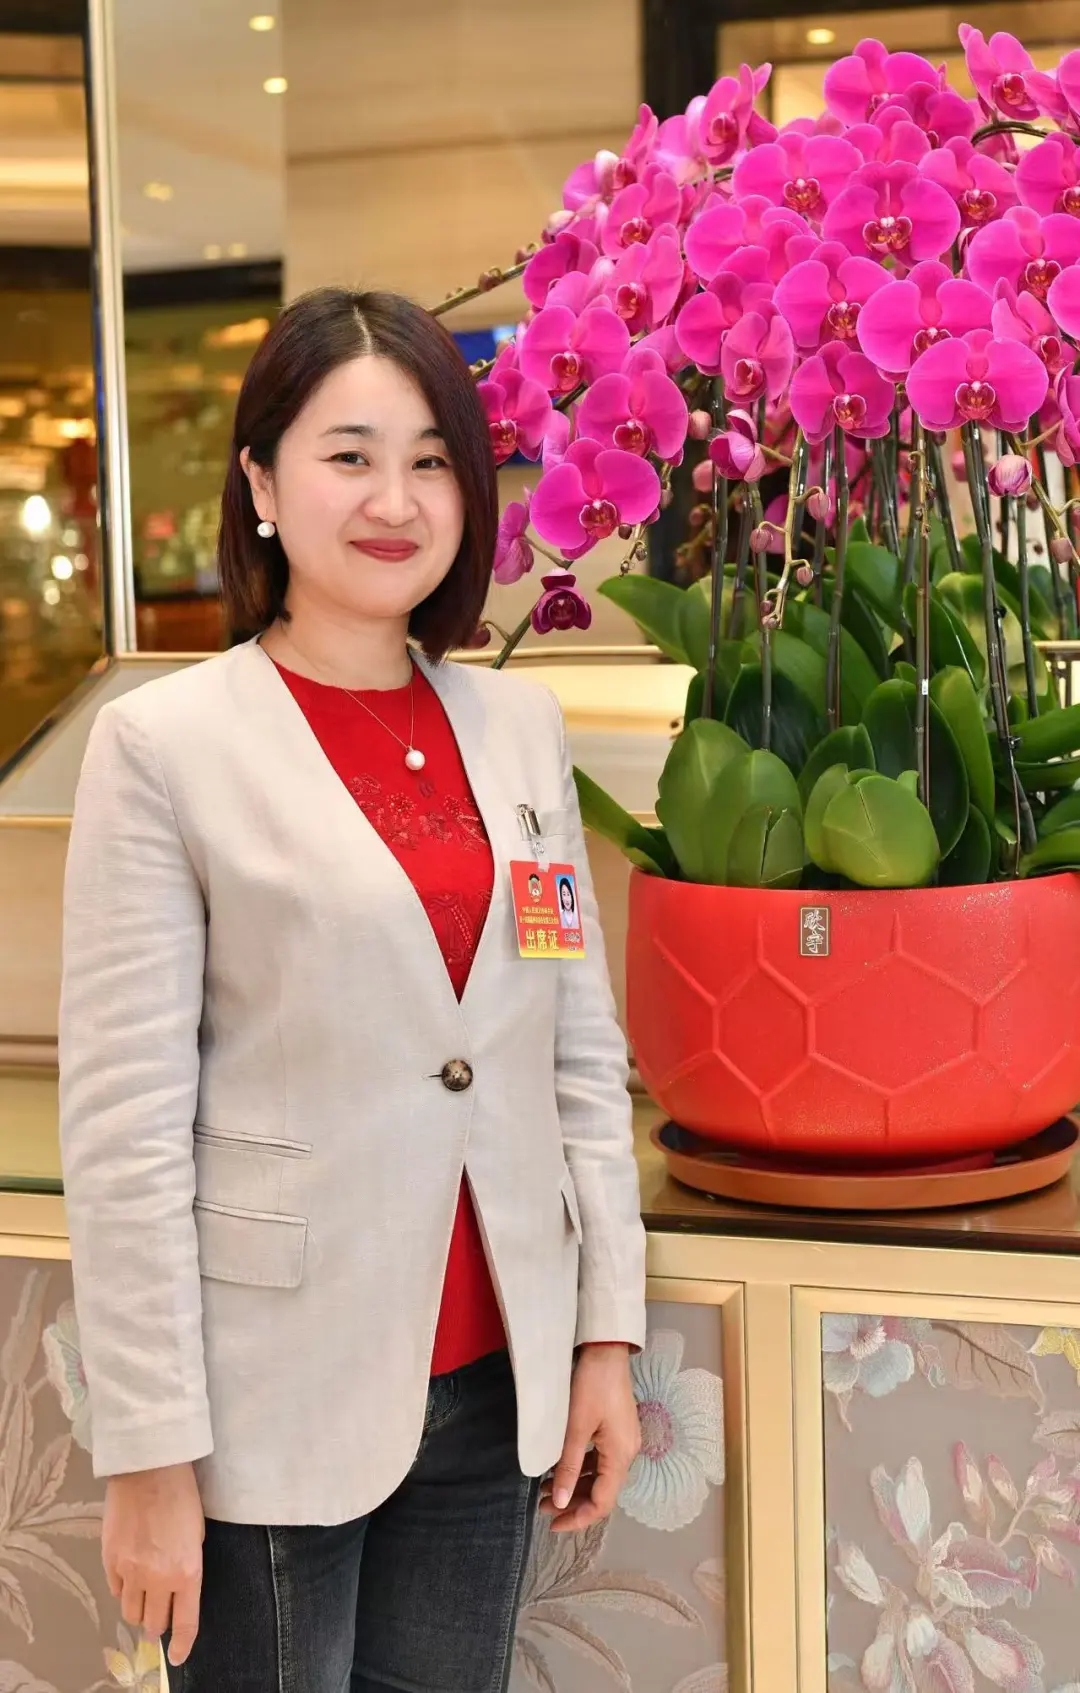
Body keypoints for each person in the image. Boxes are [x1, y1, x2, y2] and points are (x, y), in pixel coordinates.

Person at [58, 287, 646, 1693]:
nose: (396, 498)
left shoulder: (520, 727)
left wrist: (605, 1337)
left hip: (494, 1386)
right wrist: (150, 1453)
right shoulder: (165, 746)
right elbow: (126, 1127)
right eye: (350, 455)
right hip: (268, 1396)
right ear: (262, 484)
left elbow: (574, 1051)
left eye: (433, 458)